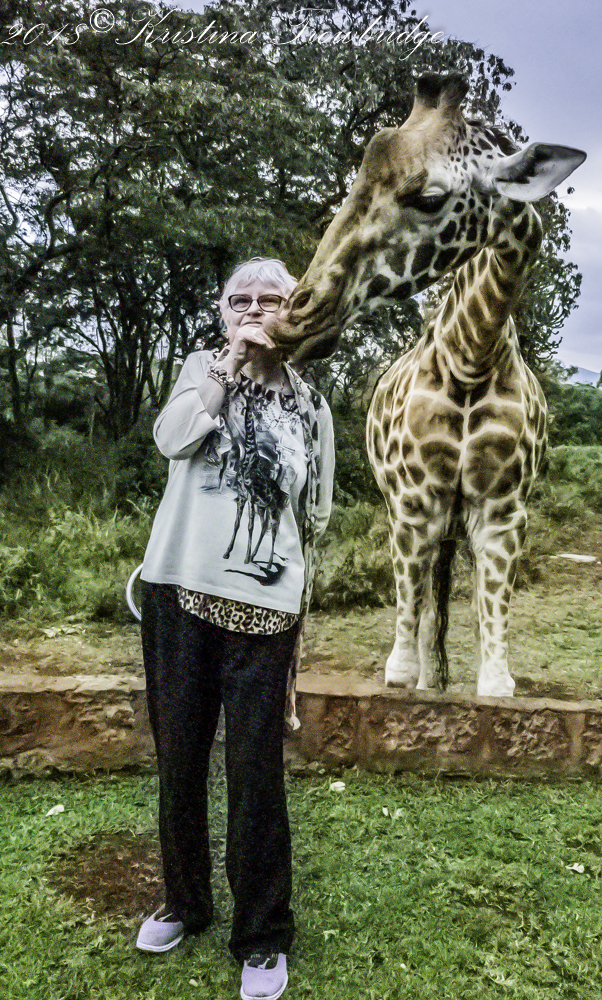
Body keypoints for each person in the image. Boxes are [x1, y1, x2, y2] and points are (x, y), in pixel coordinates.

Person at [135, 257, 335, 1000]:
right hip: (177, 593)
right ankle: (183, 904)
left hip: (266, 610)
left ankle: (261, 936)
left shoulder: (312, 404)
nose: (253, 309)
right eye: (238, 300)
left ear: (294, 310)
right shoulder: (199, 371)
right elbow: (173, 439)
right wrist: (230, 364)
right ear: (222, 313)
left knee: (256, 775)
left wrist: (297, 615)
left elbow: (314, 515)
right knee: (180, 762)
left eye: (269, 299)